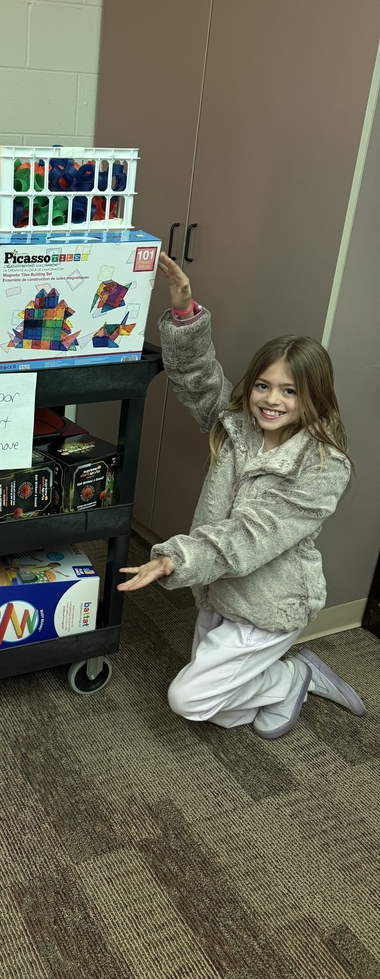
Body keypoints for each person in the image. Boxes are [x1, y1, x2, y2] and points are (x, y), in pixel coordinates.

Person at [118, 253, 366, 739]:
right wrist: (186, 314)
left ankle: (292, 674)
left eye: (289, 391)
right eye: (263, 386)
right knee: (225, 711)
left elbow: (251, 536)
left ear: (314, 396)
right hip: (218, 590)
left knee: (188, 699)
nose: (271, 400)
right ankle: (283, 680)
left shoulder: (322, 467)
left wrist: (173, 559)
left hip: (269, 603)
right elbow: (198, 379)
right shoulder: (237, 428)